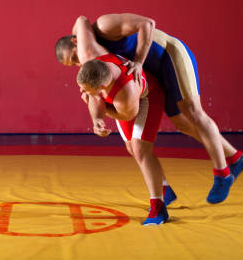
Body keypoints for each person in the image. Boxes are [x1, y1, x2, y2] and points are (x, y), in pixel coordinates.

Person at [56, 13, 243, 204]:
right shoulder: (93, 55)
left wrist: (139, 62)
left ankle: (222, 173)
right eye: (73, 64)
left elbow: (147, 23)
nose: (79, 63)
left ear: (76, 40)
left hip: (168, 55)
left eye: (74, 57)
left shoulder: (104, 26)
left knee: (192, 111)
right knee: (181, 124)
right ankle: (234, 157)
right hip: (151, 73)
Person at [73, 15, 175, 225]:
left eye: (85, 90)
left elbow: (126, 115)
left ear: (102, 89)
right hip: (116, 98)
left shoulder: (125, 94)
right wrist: (97, 118)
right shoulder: (91, 61)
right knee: (131, 147)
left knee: (140, 148)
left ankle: (159, 208)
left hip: (147, 98)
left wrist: (103, 113)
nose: (80, 91)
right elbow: (81, 20)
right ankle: (164, 187)